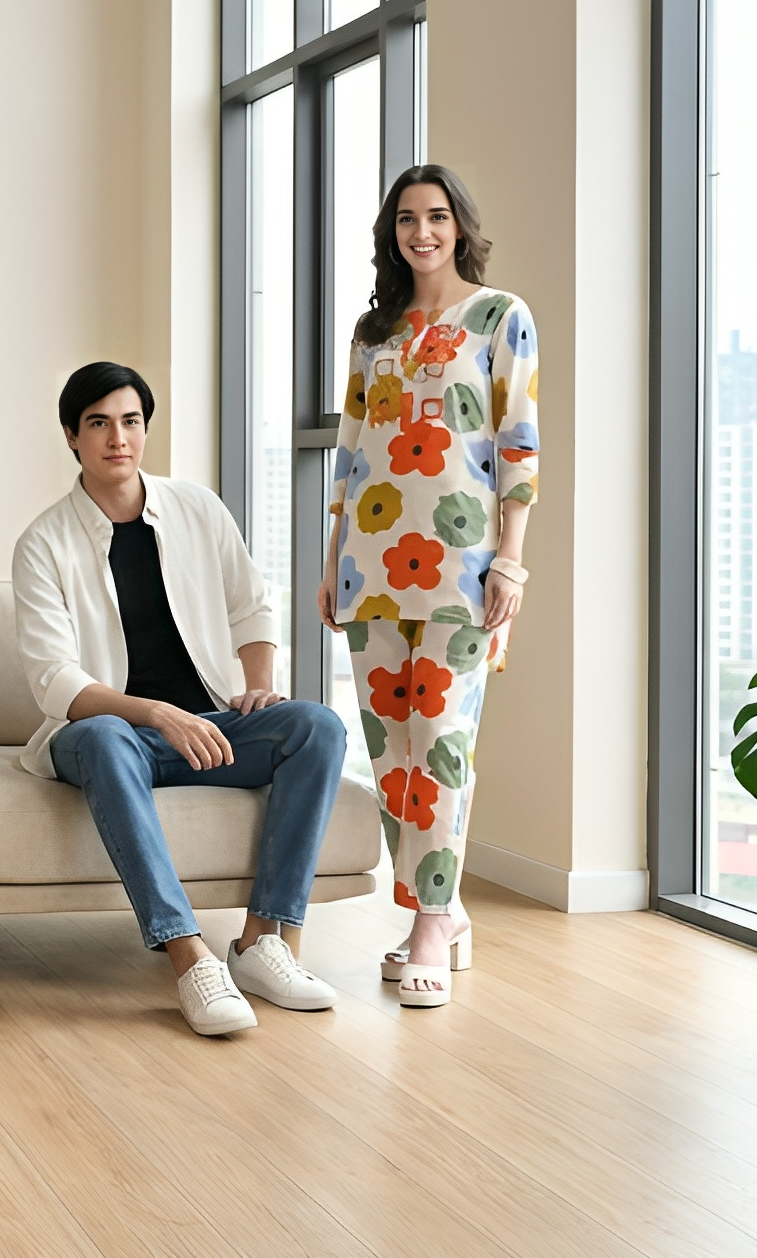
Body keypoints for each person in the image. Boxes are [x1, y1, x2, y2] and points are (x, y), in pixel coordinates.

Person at [12, 363, 348, 1036]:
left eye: (130, 420)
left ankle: (261, 942)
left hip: (206, 726)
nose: (118, 437)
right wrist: (154, 711)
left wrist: (254, 683)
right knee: (107, 734)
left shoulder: (195, 507)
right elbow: (55, 681)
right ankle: (187, 954)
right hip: (112, 738)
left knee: (315, 725)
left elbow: (252, 604)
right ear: (71, 437)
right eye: (99, 423)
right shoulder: (43, 543)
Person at [316, 164, 539, 1009]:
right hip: (370, 562)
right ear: (391, 233)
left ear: (458, 225)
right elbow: (351, 451)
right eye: (407, 218)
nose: (422, 232)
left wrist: (510, 558)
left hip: (462, 566)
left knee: (441, 738)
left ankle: (428, 925)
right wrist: (332, 556)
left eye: (436, 216)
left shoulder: (498, 318)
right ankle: (440, 908)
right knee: (393, 753)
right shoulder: (372, 332)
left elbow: (518, 444)